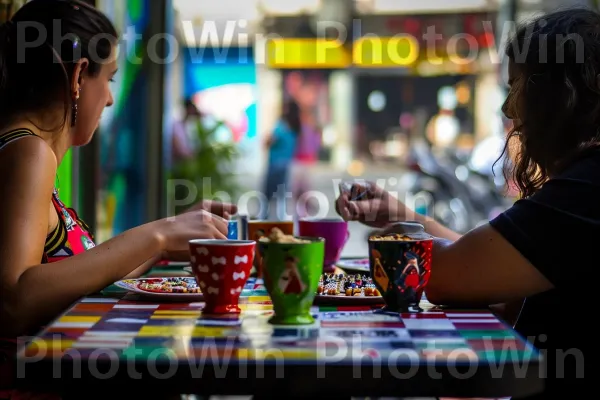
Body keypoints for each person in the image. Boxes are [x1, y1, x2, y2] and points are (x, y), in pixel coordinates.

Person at [337, 8, 595, 399]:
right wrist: (402, 215)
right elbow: (488, 266)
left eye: (516, 87)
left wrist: (399, 238)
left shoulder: (586, 189)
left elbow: (442, 276)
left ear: (555, 96)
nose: (510, 109)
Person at [0, 1, 236, 397]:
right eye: (108, 78)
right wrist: (158, 236)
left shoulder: (20, 149)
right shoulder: (29, 153)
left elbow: (81, 273)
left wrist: (174, 232)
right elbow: (12, 300)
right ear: (77, 76)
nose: (109, 99)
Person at [262, 100, 301, 219]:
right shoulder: (296, 125)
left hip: (275, 165)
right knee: (282, 196)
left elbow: (270, 141)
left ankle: (265, 220)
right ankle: (282, 220)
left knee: (267, 196)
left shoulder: (282, 125)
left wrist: (267, 140)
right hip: (286, 165)